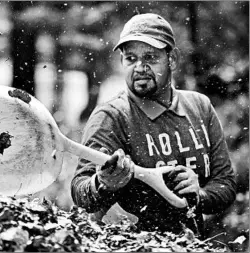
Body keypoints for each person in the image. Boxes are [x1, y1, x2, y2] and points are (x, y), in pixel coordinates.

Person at [71, 13, 236, 237]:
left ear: (173, 59)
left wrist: (200, 194)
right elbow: (79, 192)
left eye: (150, 57)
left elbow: (225, 184)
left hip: (191, 244)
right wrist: (103, 183)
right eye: (130, 58)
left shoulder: (200, 107)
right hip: (126, 244)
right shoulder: (111, 117)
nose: (140, 67)